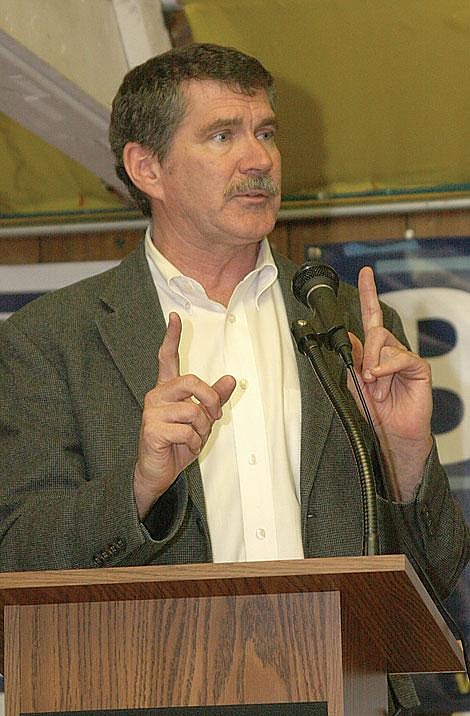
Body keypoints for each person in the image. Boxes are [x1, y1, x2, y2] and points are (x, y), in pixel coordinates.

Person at [0, 42, 468, 711]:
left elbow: (433, 572)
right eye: (222, 135)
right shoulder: (51, 340)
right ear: (146, 167)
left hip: (343, 695)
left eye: (266, 133)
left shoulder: (343, 324)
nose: (259, 159)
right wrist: (139, 487)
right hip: (138, 691)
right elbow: (16, 554)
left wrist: (407, 455)